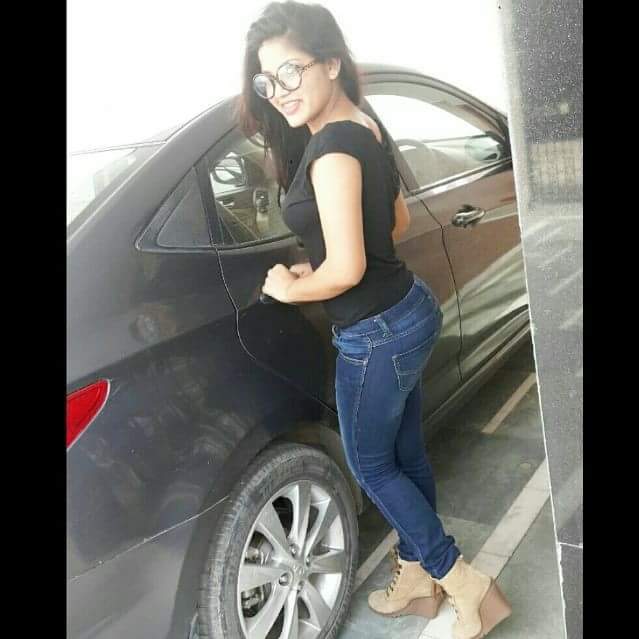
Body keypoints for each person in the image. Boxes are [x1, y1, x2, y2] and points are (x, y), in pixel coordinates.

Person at [235, 2, 512, 638]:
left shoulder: (330, 151)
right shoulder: (363, 126)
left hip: (374, 333)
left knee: (372, 466)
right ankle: (416, 578)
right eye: (267, 80)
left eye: (291, 71)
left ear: (331, 63)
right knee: (406, 454)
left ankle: (463, 584)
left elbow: (348, 268)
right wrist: (325, 261)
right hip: (408, 309)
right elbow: (397, 222)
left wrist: (291, 286)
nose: (279, 91)